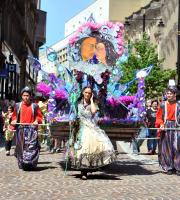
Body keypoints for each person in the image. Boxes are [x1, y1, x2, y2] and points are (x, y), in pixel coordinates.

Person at [68, 86, 116, 180]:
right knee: (83, 149)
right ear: (83, 93)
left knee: (93, 148)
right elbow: (73, 114)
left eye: (89, 93)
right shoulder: (77, 103)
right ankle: (83, 171)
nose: (87, 94)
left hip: (91, 127)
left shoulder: (93, 104)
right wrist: (72, 120)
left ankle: (89, 168)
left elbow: (93, 112)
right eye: (86, 92)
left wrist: (92, 100)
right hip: (81, 128)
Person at [11, 86, 43, 169]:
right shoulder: (18, 105)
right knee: (20, 147)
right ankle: (21, 163)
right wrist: (13, 121)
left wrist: (37, 121)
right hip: (20, 129)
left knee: (31, 147)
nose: (26, 97)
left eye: (27, 95)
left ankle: (31, 163)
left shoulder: (35, 106)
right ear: (22, 96)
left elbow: (39, 117)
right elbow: (14, 116)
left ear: (30, 96)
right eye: (24, 95)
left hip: (32, 130)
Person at [156, 86, 180, 175]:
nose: (168, 95)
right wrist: (161, 124)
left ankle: (178, 167)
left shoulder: (179, 104)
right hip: (166, 127)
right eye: (167, 93)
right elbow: (158, 117)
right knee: (167, 148)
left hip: (177, 127)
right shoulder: (163, 104)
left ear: (175, 94)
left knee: (177, 147)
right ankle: (169, 167)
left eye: (170, 93)